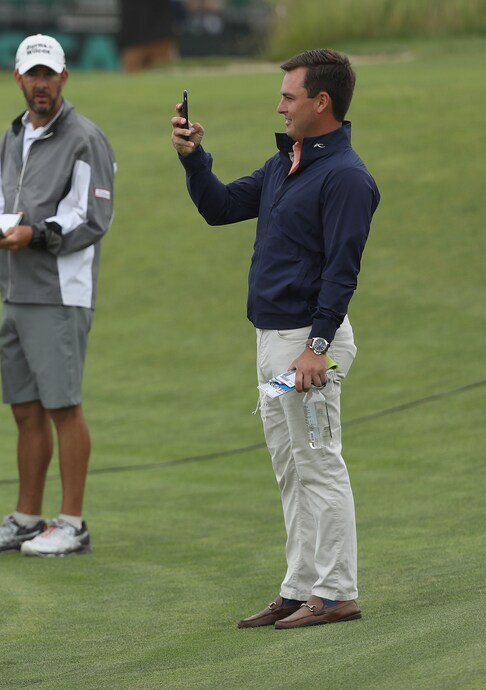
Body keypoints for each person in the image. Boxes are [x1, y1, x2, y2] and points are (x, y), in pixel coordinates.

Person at [170, 49, 379, 628]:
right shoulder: (284, 164)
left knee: (319, 465)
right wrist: (194, 159)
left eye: (289, 96)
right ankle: (299, 588)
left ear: (322, 102)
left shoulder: (347, 178)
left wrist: (316, 348)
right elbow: (219, 208)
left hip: (311, 347)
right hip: (274, 341)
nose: (280, 105)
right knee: (293, 469)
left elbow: (342, 271)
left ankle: (337, 593)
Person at [0, 34, 116, 557]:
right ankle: (28, 518)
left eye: (50, 75)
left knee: (63, 407)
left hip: (59, 292)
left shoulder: (85, 138)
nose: (41, 84)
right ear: (19, 79)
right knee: (25, 409)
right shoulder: (12, 136)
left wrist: (36, 235)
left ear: (64, 78)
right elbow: (1, 197)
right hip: (15, 289)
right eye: (33, 74)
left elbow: (93, 218)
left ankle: (71, 522)